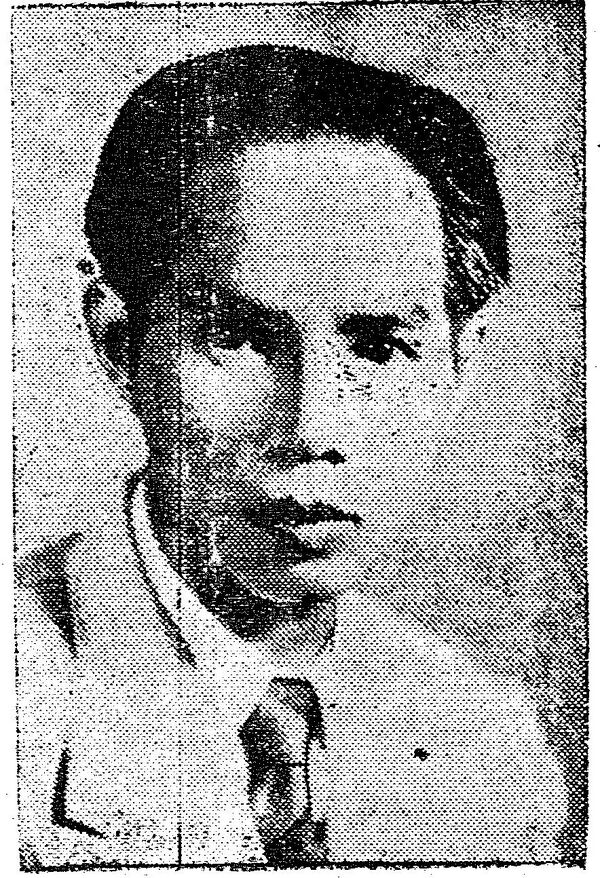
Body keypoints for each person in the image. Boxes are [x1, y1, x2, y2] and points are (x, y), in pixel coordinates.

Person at [16, 44, 569, 869]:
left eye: (379, 347)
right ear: (120, 345)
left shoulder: (489, 751)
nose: (311, 426)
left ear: (460, 362)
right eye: (238, 338)